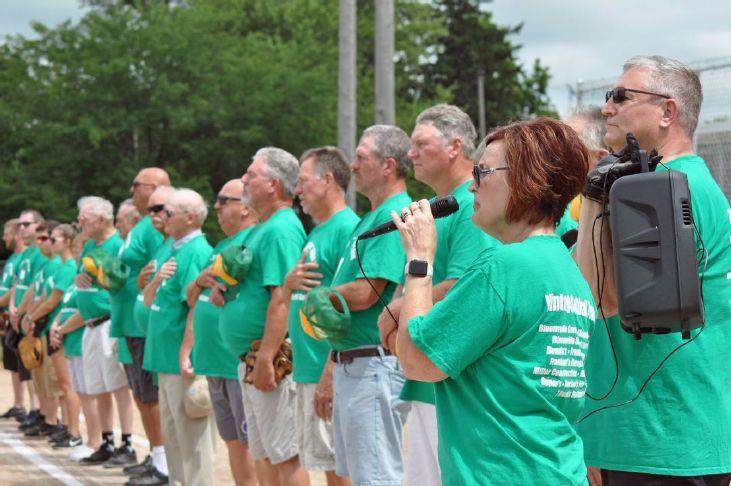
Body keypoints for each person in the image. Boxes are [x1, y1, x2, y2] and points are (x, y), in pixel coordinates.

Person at [390, 117, 594, 484]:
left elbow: (417, 361)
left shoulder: (504, 266)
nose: (472, 186)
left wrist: (419, 261)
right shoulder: (567, 268)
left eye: (482, 172)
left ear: (524, 178)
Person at [575, 55, 731, 486]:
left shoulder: (661, 188)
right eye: (609, 96)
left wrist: (592, 197)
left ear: (668, 111)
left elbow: (593, 295)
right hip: (676, 435)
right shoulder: (690, 183)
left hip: (654, 442)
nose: (607, 107)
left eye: (621, 96)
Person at [377, 105, 497, 486]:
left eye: (420, 144)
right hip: (428, 375)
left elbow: (467, 285)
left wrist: (396, 310)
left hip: (449, 378)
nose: (409, 154)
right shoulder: (444, 207)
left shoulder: (470, 204)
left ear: (454, 146)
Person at [326, 125, 412, 485]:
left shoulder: (395, 213)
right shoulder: (370, 216)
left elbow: (368, 291)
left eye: (361, 157)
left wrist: (323, 298)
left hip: (374, 362)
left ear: (388, 165)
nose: (353, 165)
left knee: (376, 476)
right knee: (361, 474)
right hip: (355, 362)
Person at [218, 147, 308, 486]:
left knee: (286, 455)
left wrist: (267, 358)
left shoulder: (281, 228)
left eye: (250, 174)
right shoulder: (262, 228)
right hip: (252, 357)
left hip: (269, 356)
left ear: (273, 184)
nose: (243, 179)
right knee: (266, 453)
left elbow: (282, 297)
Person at [284, 147, 359, 485]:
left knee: (338, 465)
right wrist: (289, 285)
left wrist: (330, 369)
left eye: (302, 181)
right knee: (323, 461)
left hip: (327, 366)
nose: (297, 190)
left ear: (327, 180)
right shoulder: (317, 231)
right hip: (307, 366)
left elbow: (354, 306)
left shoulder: (348, 229)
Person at [185, 179, 259, 486]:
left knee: (251, 444)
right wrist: (201, 281)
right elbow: (190, 298)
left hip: (235, 361)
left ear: (244, 206)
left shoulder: (253, 241)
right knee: (232, 441)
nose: (215, 207)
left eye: (222, 200)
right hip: (213, 360)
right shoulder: (218, 247)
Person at [142, 188, 216, 486]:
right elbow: (149, 298)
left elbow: (196, 304)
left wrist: (187, 351)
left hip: (180, 360)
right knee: (174, 438)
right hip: (164, 357)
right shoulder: (171, 248)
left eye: (168, 213)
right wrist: (156, 280)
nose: (162, 217)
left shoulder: (196, 250)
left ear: (189, 217)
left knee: (193, 442)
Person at [108, 168, 170, 471]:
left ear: (157, 187)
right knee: (143, 395)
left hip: (144, 325)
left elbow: (162, 266)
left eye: (138, 184)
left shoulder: (155, 227)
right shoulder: (142, 226)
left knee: (151, 396)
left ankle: (162, 460)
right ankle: (156, 456)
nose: (132, 189)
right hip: (131, 323)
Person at [73, 196, 135, 465]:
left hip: (108, 322)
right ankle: (106, 441)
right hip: (89, 324)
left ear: (101, 219)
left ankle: (127, 443)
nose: (79, 222)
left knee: (118, 386)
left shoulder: (117, 245)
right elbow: (81, 278)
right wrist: (78, 278)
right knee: (97, 386)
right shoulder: (88, 245)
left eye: (84, 218)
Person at [125, 184, 175, 484]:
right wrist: (145, 281)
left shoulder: (180, 244)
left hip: (163, 340)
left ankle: (164, 464)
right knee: (149, 397)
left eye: (160, 209)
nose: (154, 216)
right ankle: (160, 460)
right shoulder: (163, 244)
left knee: (157, 401)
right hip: (148, 332)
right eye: (151, 210)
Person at [41, 224, 84, 448]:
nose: (50, 242)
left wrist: (58, 327)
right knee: (65, 384)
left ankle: (74, 433)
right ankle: (69, 429)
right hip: (60, 331)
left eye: (54, 239)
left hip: (69, 333)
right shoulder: (72, 270)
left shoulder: (70, 268)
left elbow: (57, 301)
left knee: (68, 385)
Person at [11, 209, 46, 431]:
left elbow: (38, 288)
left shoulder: (41, 253)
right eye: (20, 225)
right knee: (30, 363)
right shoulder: (25, 255)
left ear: (38, 225)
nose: (22, 228)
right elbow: (18, 284)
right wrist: (15, 309)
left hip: (34, 314)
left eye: (26, 224)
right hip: (23, 314)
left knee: (38, 364)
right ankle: (37, 409)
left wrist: (26, 313)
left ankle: (41, 410)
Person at [0, 219, 33, 421]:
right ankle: (19, 404)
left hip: (21, 315)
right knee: (13, 363)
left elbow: (17, 289)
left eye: (7, 233)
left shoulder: (25, 259)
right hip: (10, 315)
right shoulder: (14, 259)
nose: (4, 237)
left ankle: (34, 408)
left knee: (28, 363)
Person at [564, 106, 610, 225]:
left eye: (569, 145)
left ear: (601, 159)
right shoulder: (560, 206)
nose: (556, 152)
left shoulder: (616, 212)